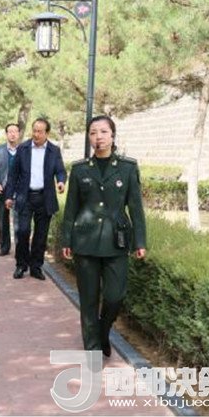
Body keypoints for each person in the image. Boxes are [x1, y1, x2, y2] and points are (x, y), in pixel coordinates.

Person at [61, 115, 146, 357]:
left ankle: (103, 331)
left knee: (114, 296)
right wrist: (66, 239)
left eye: (103, 132)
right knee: (88, 299)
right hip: (85, 241)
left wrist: (140, 241)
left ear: (112, 135)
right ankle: (93, 349)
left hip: (116, 241)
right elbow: (71, 208)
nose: (98, 137)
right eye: (93, 133)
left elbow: (136, 208)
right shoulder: (79, 169)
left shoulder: (127, 168)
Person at [4, 118, 66, 281]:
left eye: (40, 131)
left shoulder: (54, 150)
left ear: (47, 133)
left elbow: (60, 170)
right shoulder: (23, 148)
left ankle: (36, 267)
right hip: (26, 197)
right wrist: (9, 196)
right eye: (34, 130)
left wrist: (61, 181)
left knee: (41, 235)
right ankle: (21, 265)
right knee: (23, 231)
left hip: (45, 198)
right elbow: (13, 174)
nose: (36, 134)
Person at [0, 123, 21, 256]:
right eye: (10, 131)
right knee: (3, 220)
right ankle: (4, 246)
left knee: (18, 221)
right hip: (2, 190)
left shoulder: (24, 150)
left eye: (15, 131)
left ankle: (20, 247)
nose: (12, 134)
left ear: (19, 133)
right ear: (6, 134)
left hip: (19, 190)